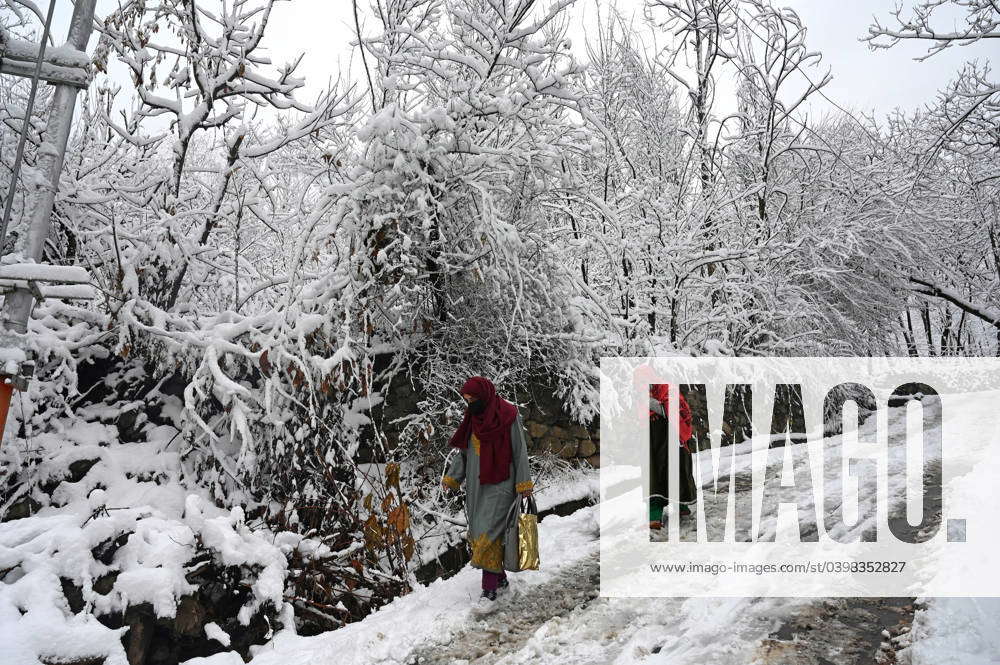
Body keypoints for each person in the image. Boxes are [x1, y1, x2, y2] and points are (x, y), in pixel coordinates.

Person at [442, 376, 534, 611]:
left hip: (502, 485)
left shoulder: (508, 415)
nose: (469, 403)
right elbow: (463, 453)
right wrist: (452, 479)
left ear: (484, 396)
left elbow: (519, 450)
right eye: (466, 400)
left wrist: (524, 485)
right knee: (480, 532)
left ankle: (489, 590)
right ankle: (500, 579)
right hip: (476, 487)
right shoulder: (473, 418)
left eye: (472, 399)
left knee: (487, 534)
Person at [649, 383, 696, 529]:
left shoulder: (669, 391)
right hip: (655, 441)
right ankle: (655, 516)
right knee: (657, 476)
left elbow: (676, 411)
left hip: (672, 440)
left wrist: (653, 405)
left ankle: (680, 507)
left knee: (676, 472)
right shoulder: (643, 394)